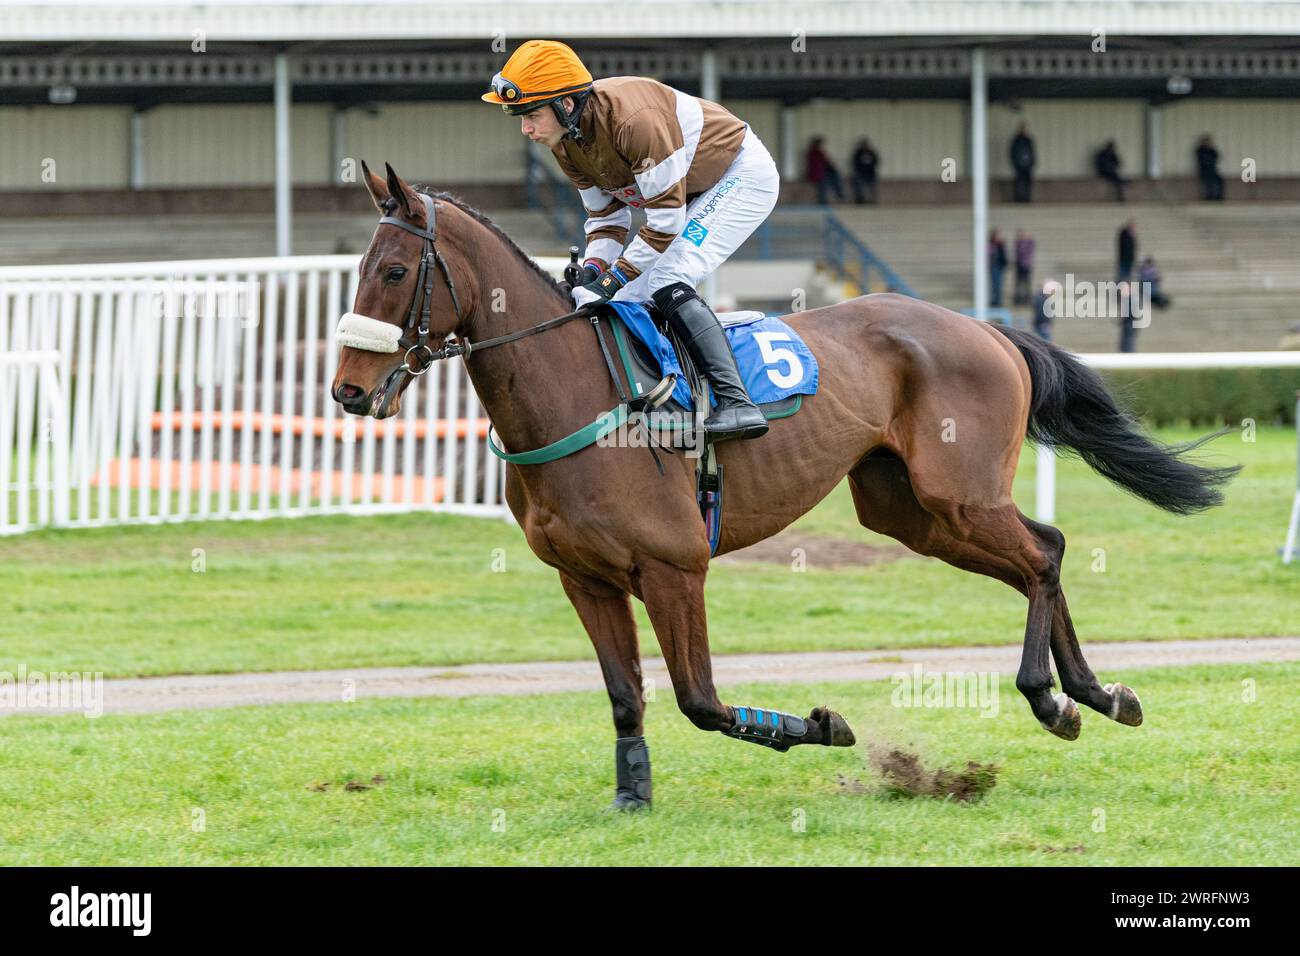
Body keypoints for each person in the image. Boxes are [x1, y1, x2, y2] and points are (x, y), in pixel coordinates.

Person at [481, 40, 772, 441]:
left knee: (666, 278)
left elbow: (665, 222)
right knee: (621, 297)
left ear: (566, 105)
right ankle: (658, 401)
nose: (525, 129)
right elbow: (607, 219)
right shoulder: (566, 141)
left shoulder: (634, 121)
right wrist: (594, 271)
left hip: (737, 176)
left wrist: (611, 280)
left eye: (531, 115)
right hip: (684, 195)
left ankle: (737, 402)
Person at [805, 136, 844, 205]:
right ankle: (823, 200)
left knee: (836, 177)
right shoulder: (813, 153)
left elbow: (828, 164)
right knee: (823, 182)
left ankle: (840, 194)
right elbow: (816, 167)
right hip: (817, 175)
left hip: (824, 174)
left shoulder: (821, 153)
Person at [1010, 123, 1035, 203]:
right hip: (1018, 165)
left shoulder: (1028, 140)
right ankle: (1018, 198)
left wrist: (1032, 162)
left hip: (1027, 165)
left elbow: (1032, 153)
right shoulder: (1016, 140)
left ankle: (1026, 198)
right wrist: (1015, 163)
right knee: (1019, 182)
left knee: (1027, 182)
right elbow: (1012, 153)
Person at [850, 138, 879, 204]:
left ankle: (872, 199)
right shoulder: (858, 153)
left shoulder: (871, 152)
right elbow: (854, 163)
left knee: (872, 186)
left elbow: (876, 161)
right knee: (857, 184)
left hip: (870, 173)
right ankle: (860, 199)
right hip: (860, 173)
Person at [1196, 134, 1224, 201]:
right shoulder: (1200, 150)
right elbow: (1202, 160)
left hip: (1212, 170)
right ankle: (1209, 197)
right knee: (1208, 183)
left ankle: (1219, 196)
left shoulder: (1211, 150)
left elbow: (1216, 156)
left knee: (1219, 181)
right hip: (1204, 170)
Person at [1012, 230, 1035, 305]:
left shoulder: (1028, 244)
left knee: (1026, 284)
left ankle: (1027, 299)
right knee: (1019, 284)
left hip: (1026, 267)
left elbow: (1031, 245)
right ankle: (1017, 299)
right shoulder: (1019, 244)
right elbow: (1018, 253)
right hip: (1019, 267)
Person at [1117, 280, 1140, 353]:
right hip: (1128, 323)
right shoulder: (1128, 299)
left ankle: (1129, 353)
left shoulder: (1131, 299)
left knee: (1128, 340)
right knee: (1125, 341)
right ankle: (1127, 352)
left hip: (1130, 324)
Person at [988, 229, 1008, 307]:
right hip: (994, 267)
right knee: (995, 284)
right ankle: (994, 300)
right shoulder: (992, 245)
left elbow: (1004, 256)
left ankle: (998, 300)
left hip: (1000, 267)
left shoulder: (1001, 245)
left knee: (999, 284)